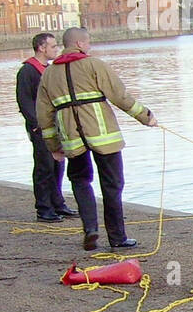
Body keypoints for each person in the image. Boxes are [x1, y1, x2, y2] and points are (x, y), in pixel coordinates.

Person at [36, 27, 158, 251]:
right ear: (81, 44)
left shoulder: (49, 74)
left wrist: (53, 146)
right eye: (88, 42)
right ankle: (117, 237)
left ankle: (91, 229)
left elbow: (44, 115)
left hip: (72, 139)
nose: (90, 46)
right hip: (104, 136)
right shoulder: (94, 65)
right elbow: (120, 95)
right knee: (112, 184)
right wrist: (145, 116)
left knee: (81, 181)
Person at [16, 32, 75, 222]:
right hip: (40, 127)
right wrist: (36, 125)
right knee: (44, 166)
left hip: (55, 126)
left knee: (58, 165)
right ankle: (43, 208)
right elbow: (24, 101)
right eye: (53, 46)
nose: (56, 49)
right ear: (42, 47)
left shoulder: (48, 69)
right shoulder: (27, 71)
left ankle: (58, 203)